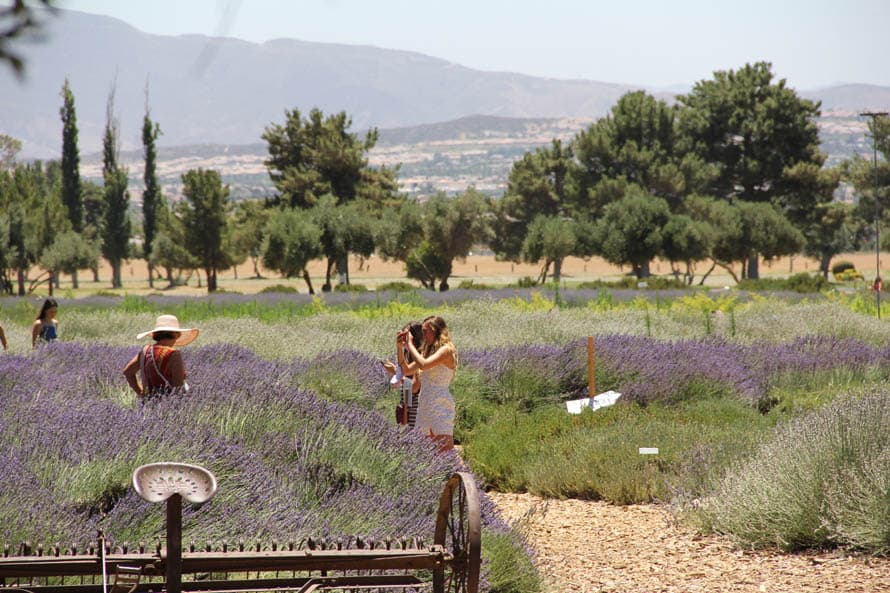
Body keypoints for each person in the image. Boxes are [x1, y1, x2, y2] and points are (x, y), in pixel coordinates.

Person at [398, 315, 457, 451]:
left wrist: (410, 344)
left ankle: (462, 472)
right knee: (424, 450)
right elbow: (405, 370)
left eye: (426, 331)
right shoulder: (428, 353)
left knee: (445, 449)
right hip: (424, 403)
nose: (423, 336)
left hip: (440, 403)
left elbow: (423, 365)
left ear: (435, 330)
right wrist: (400, 347)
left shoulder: (447, 350)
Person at [123, 314, 199, 404]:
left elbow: (128, 372)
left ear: (156, 334)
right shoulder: (173, 354)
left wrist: (141, 393)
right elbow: (178, 388)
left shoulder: (145, 351)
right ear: (176, 334)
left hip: (147, 404)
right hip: (169, 406)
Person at [383, 321, 423, 427]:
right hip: (408, 407)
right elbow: (400, 385)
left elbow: (414, 387)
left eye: (406, 337)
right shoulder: (408, 357)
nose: (404, 340)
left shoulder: (421, 358)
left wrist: (396, 371)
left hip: (416, 410)